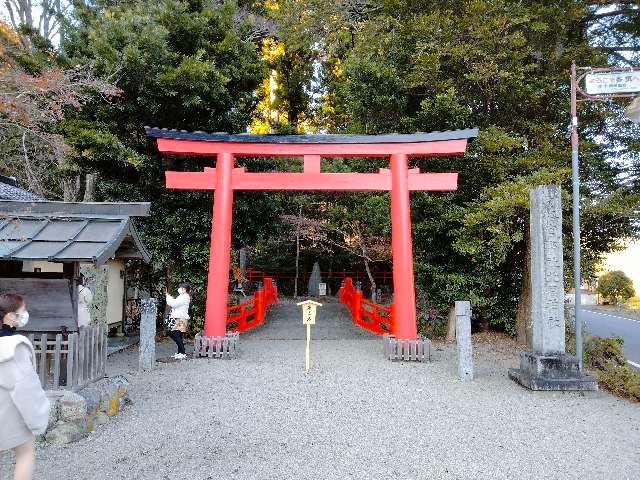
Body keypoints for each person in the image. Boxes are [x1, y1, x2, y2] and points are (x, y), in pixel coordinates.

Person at [0, 293, 50, 480]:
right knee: (25, 452)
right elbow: (25, 388)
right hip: (9, 411)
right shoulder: (15, 346)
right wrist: (39, 417)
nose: (26, 314)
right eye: (23, 311)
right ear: (10, 316)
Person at [165, 283, 191, 359]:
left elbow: (173, 304)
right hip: (180, 318)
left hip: (181, 318)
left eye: (182, 288)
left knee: (175, 335)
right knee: (178, 335)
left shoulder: (185, 297)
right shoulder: (182, 296)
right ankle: (180, 352)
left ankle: (182, 352)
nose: (180, 289)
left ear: (185, 289)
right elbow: (175, 302)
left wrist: (168, 297)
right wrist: (169, 297)